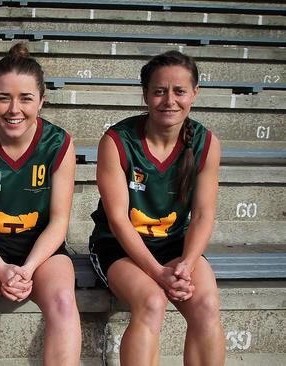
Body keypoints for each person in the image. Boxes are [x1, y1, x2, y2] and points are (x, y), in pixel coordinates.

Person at [88, 50, 225, 365]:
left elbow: (203, 215)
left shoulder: (206, 143)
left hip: (176, 244)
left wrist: (187, 264)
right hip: (119, 246)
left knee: (205, 305)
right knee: (151, 302)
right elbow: (119, 220)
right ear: (146, 94)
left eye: (179, 91)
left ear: (194, 94)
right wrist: (158, 273)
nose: (169, 100)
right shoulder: (118, 140)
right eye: (159, 91)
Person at [0, 43, 82, 365]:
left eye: (25, 98)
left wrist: (26, 269)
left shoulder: (59, 143)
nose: (14, 109)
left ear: (41, 100)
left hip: (41, 248)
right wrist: (1, 268)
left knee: (65, 301)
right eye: (3, 97)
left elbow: (58, 221)